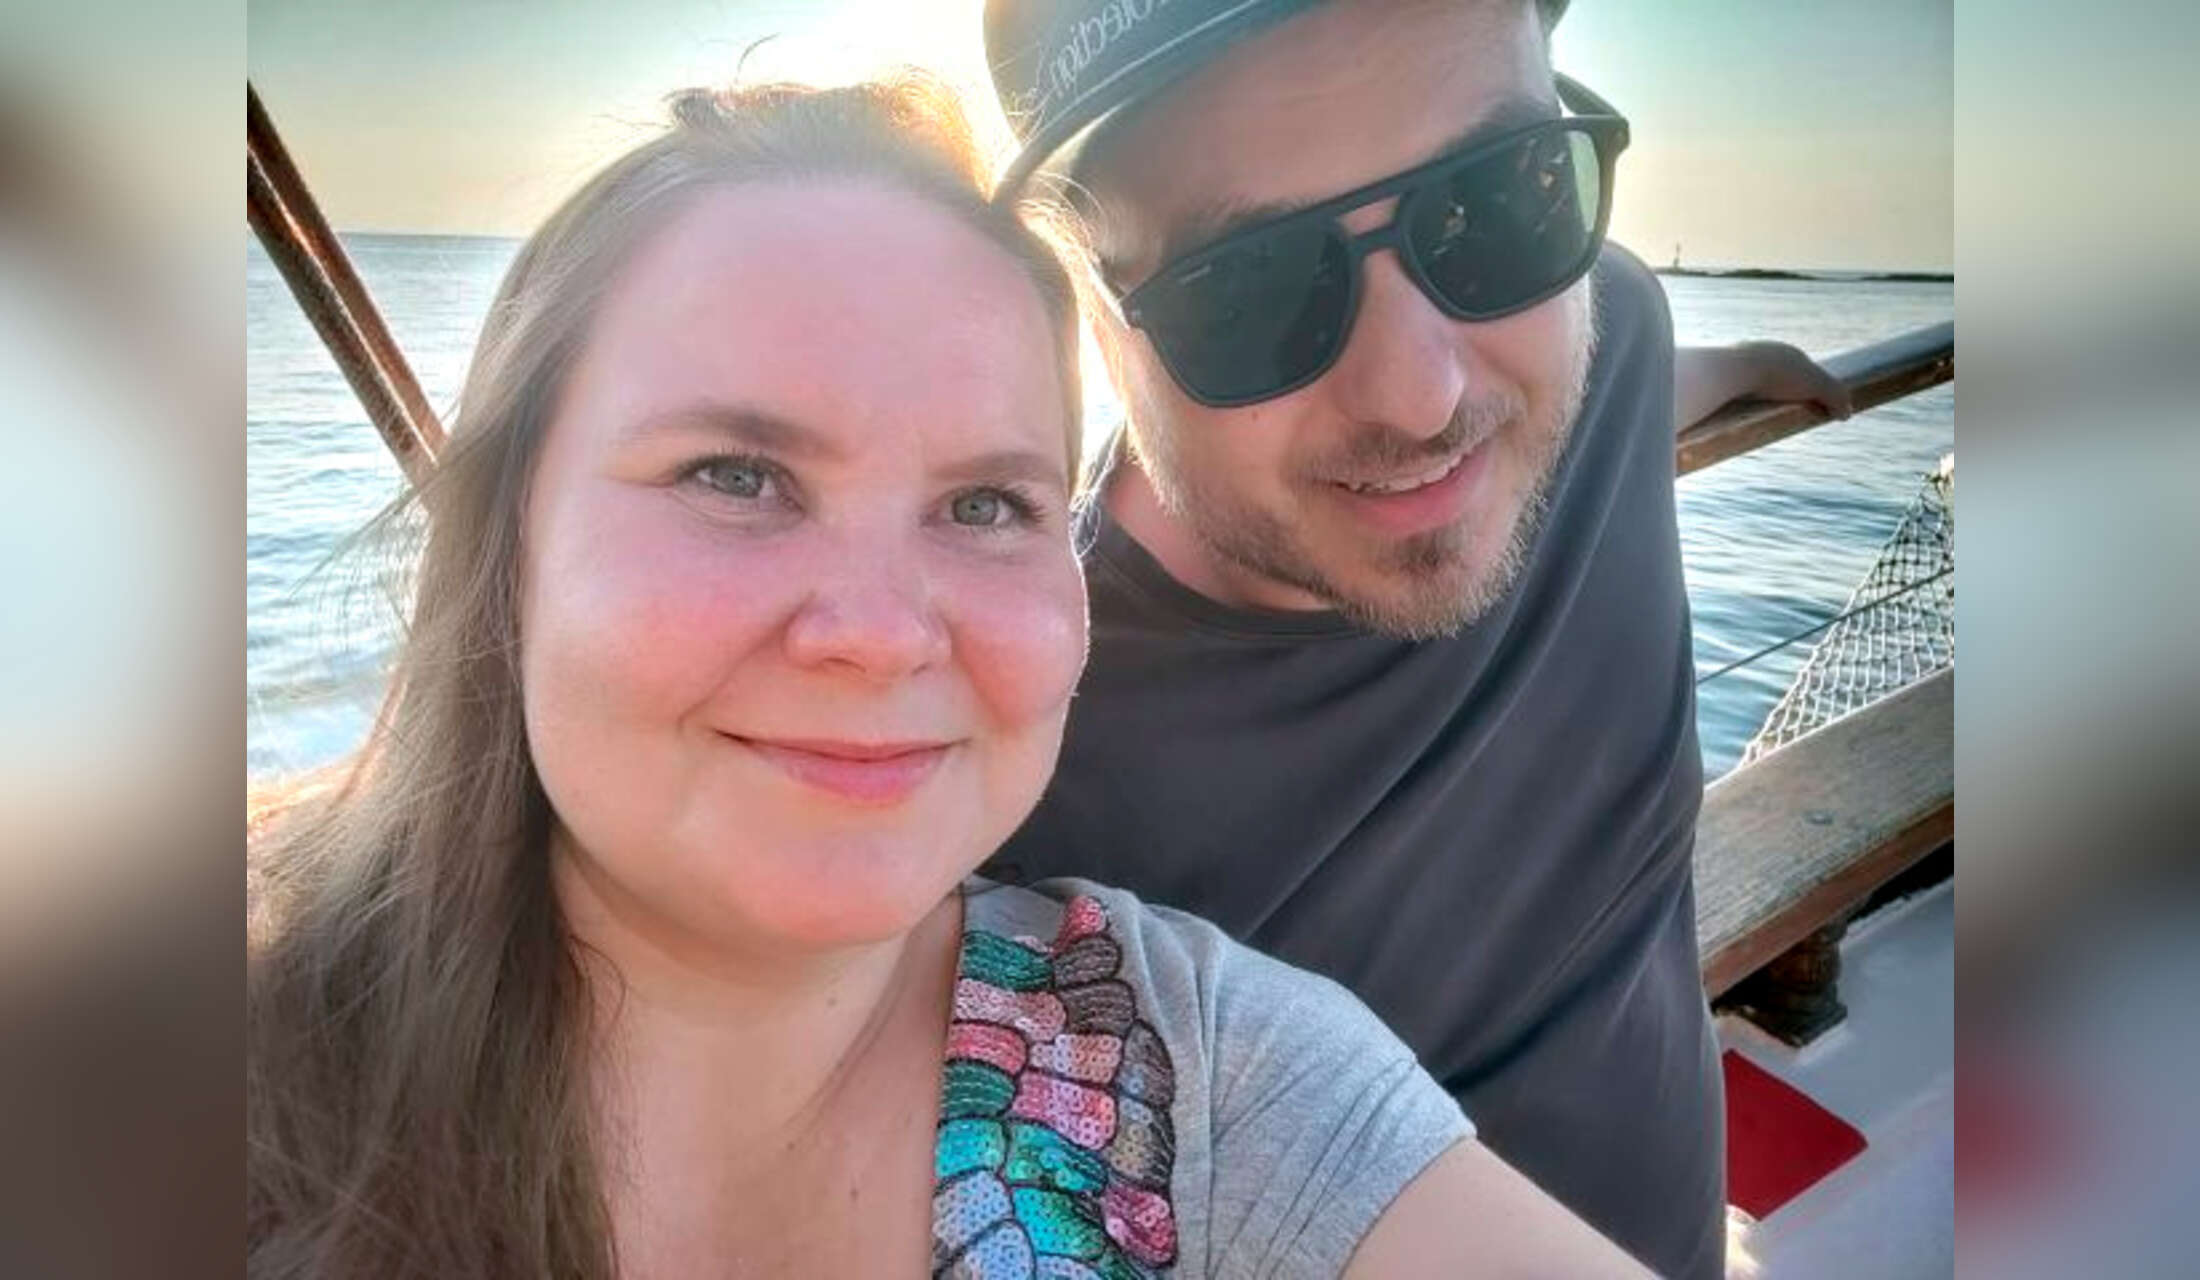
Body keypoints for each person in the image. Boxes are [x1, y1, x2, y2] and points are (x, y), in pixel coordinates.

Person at [246, 76, 1651, 1277]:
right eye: (735, 476)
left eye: (986, 505)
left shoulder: (1207, 1081)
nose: (880, 632)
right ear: (507, 541)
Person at [979, 1, 1850, 1275]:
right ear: (1098, 330)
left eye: (1492, 205)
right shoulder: (1021, 748)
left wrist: (1747, 358)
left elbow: (1617, 347)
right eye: (1250, 288)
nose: (1424, 396)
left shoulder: (1599, 344)